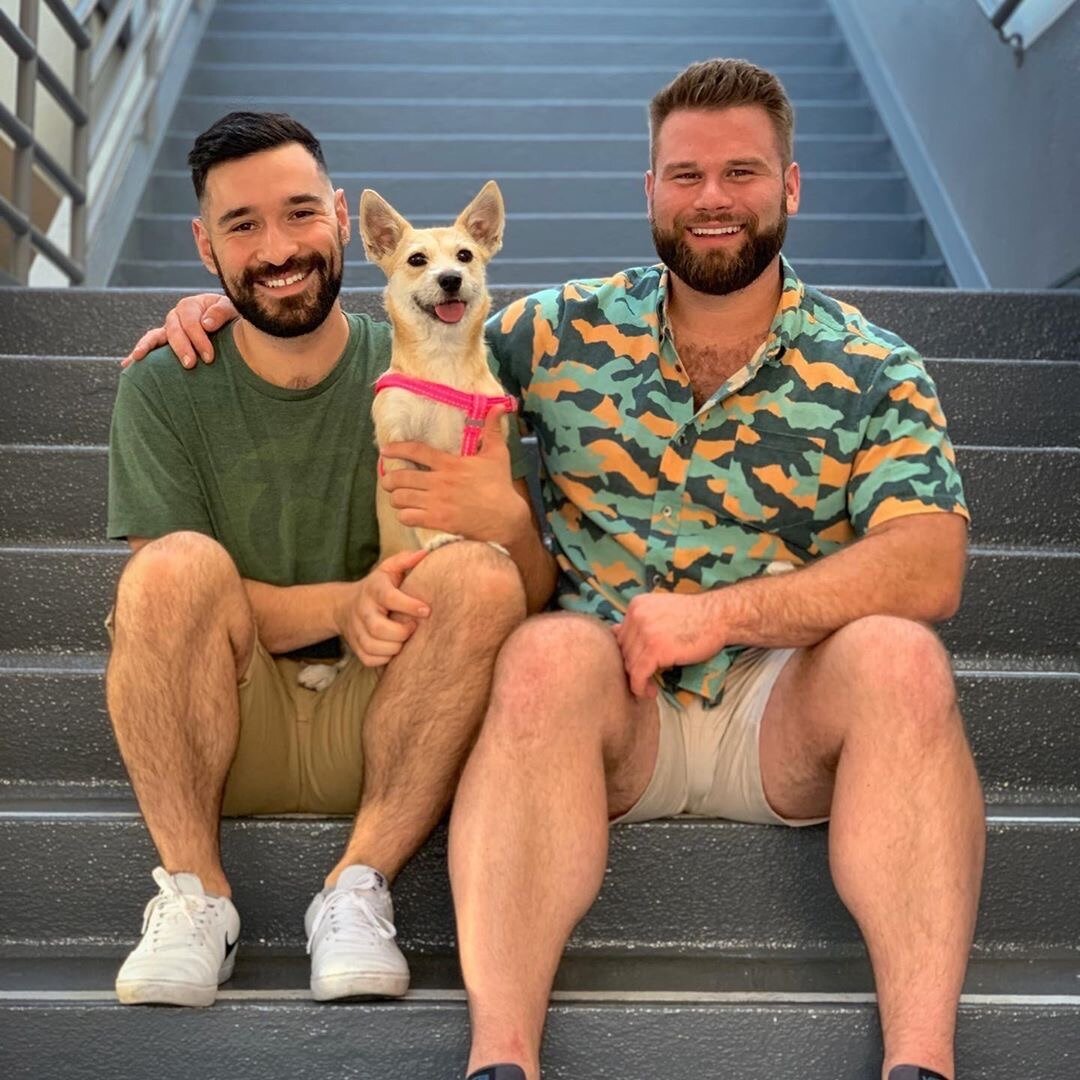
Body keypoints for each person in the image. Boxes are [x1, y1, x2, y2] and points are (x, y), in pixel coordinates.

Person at [129, 61, 983, 1080]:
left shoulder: (874, 364)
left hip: (782, 708)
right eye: (686, 175)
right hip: (607, 709)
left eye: (743, 172)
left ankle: (921, 1062)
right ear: (650, 190)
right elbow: (422, 335)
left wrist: (721, 616)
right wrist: (229, 309)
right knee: (540, 652)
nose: (712, 198)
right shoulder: (560, 330)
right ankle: (502, 1061)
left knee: (901, 658)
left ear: (790, 186)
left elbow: (930, 564)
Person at [106, 111, 555, 1009]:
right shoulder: (164, 384)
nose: (278, 249)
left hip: (398, 714)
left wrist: (508, 522)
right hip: (229, 723)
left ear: (345, 220)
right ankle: (195, 899)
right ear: (204, 246)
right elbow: (170, 606)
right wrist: (344, 606)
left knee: (481, 574)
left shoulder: (439, 358)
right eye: (242, 225)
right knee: (169, 569)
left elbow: (530, 592)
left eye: (300, 213)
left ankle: (358, 887)